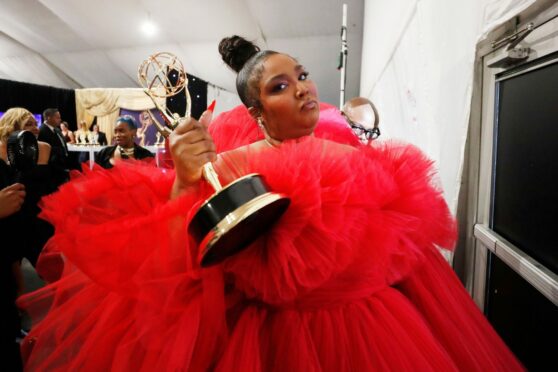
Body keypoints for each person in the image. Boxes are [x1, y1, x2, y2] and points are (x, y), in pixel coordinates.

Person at [19, 36, 523, 371]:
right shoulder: (234, 164)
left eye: (302, 76)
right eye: (281, 86)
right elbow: (178, 255)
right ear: (257, 111)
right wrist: (184, 181)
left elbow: (401, 260)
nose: (302, 88)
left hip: (369, 329)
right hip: (263, 340)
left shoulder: (360, 163)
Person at [0, 108, 54, 371]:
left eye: (36, 123)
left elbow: (36, 193)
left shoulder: (32, 151)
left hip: (29, 226)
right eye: (27, 123)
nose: (34, 127)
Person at [38, 108, 69, 187]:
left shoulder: (57, 129)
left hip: (61, 166)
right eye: (57, 117)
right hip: (52, 169)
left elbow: (62, 144)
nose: (60, 119)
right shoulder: (41, 131)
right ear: (49, 118)